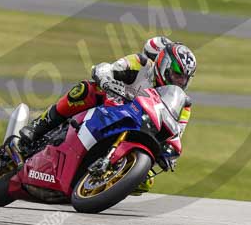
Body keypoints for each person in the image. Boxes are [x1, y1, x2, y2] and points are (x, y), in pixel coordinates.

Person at [18, 39, 196, 191]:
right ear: (163, 65)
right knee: (85, 90)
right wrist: (106, 79)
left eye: (184, 79)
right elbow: (106, 69)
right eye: (176, 75)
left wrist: (169, 153)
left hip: (140, 128)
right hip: (111, 107)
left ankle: (100, 182)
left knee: (146, 182)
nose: (179, 82)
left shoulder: (183, 104)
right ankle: (39, 125)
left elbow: (177, 133)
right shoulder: (140, 64)